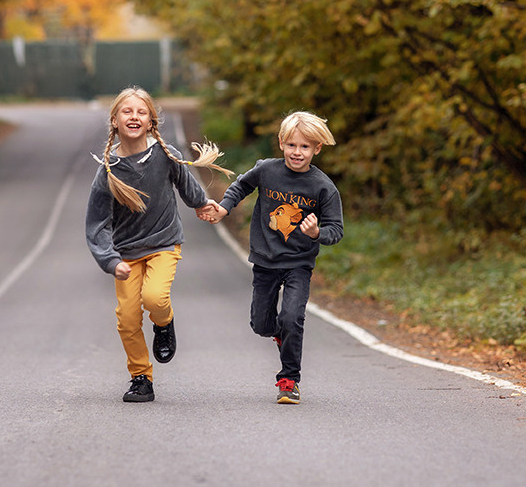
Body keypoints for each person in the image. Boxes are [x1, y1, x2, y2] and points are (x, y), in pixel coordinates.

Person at [85, 86, 232, 403]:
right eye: (127, 111)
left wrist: (201, 204)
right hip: (126, 254)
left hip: (164, 243)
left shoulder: (165, 155)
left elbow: (187, 185)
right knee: (127, 319)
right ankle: (141, 378)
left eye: (141, 112)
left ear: (151, 121)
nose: (134, 116)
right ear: (115, 121)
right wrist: (110, 260)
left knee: (155, 297)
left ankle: (164, 324)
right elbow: (97, 223)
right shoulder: (109, 169)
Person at [202, 111, 342, 404]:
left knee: (292, 317)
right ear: (281, 143)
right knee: (261, 325)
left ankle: (289, 380)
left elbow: (335, 229)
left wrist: (316, 232)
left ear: (317, 148)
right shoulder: (267, 170)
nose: (297, 152)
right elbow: (241, 185)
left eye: (305, 146)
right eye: (291, 145)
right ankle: (281, 333)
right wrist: (225, 208)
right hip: (266, 260)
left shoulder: (323, 186)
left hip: (299, 263)